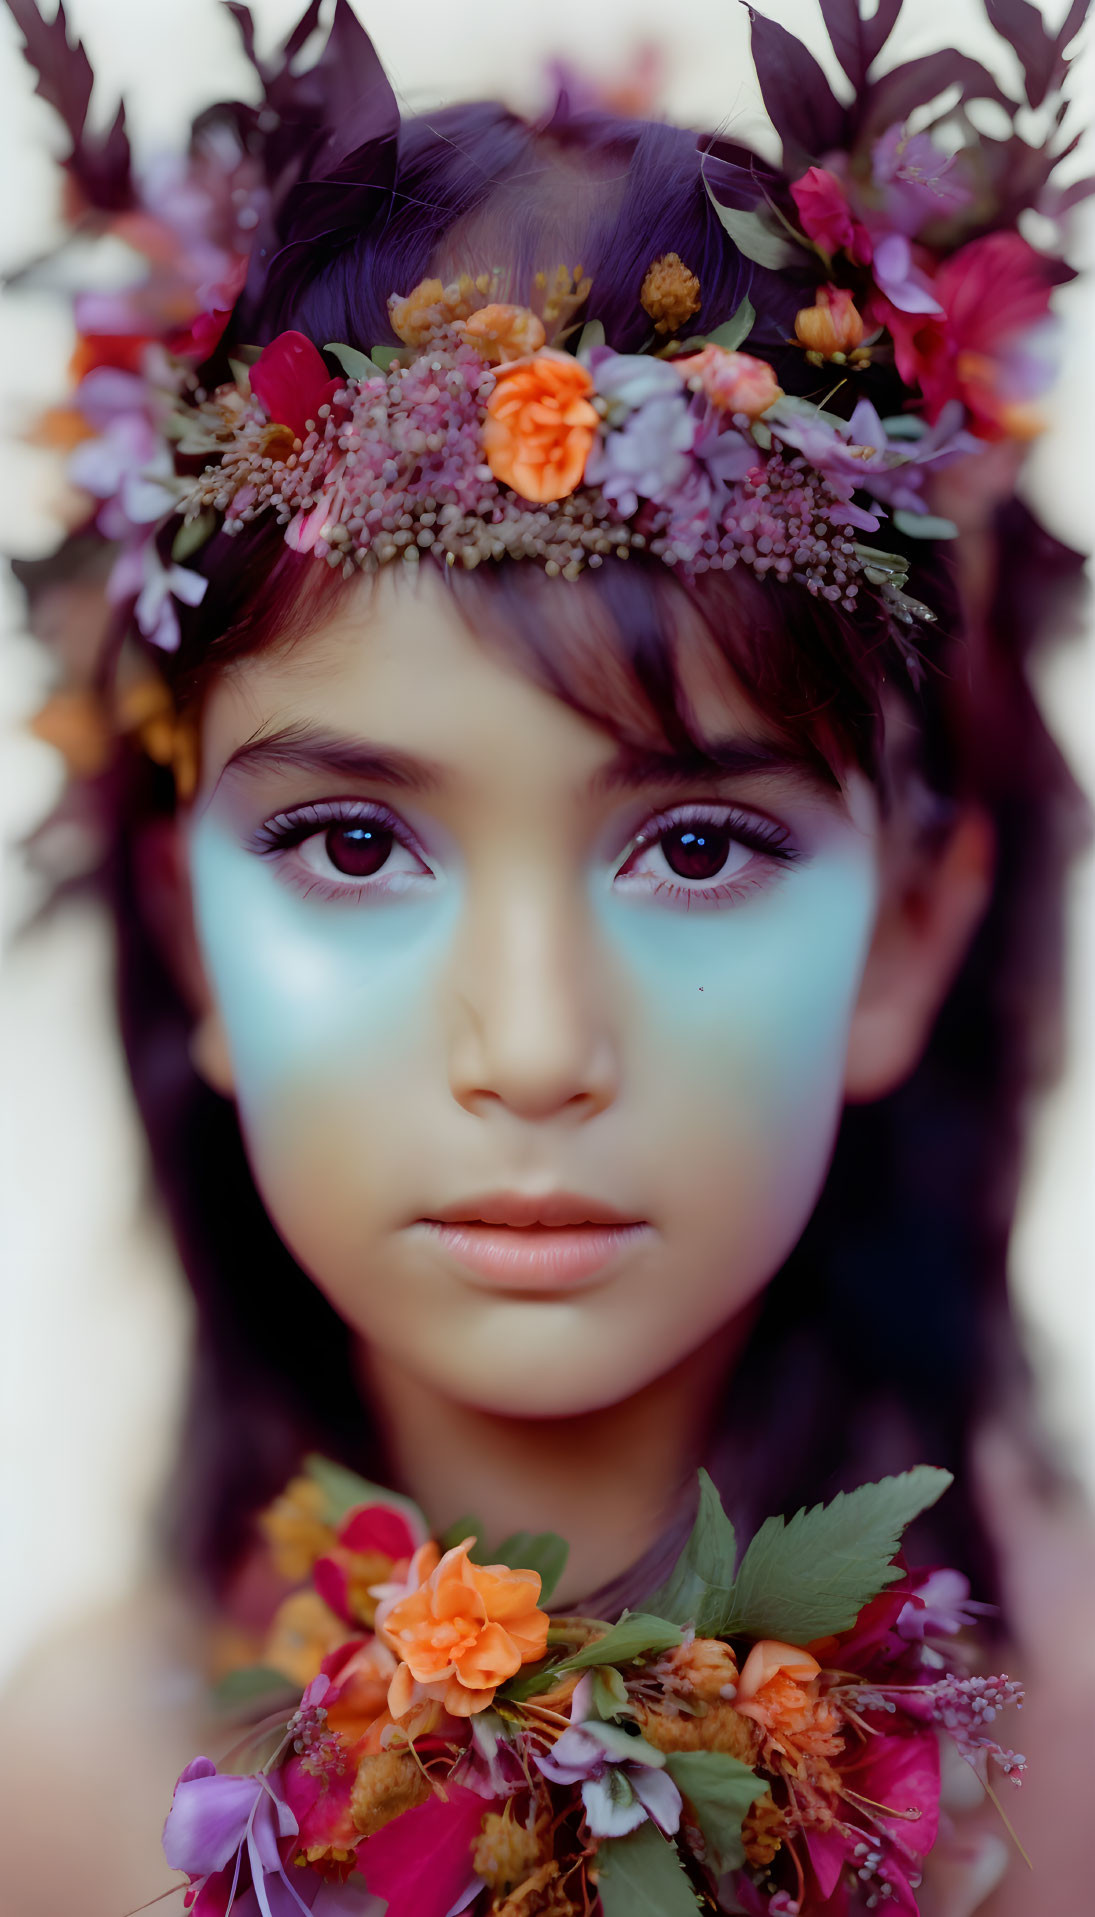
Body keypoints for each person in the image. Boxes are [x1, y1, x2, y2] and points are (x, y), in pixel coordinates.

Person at [0, 2, 1092, 1913]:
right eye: (354, 843)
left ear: (913, 929)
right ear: (186, 928)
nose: (530, 1045)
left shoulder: (1075, 1772)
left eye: (694, 844)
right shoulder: (68, 1797)